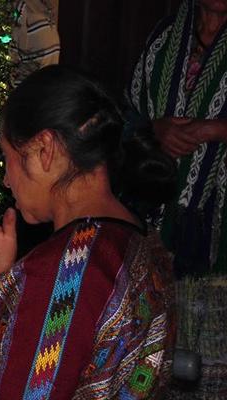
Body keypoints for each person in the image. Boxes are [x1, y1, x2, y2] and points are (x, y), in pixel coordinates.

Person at [0, 65, 176, 399]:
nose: (5, 180)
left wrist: (27, 283)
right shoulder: (137, 238)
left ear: (45, 150)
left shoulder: (64, 276)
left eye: (7, 158)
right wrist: (6, 279)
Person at [127, 0, 227, 396]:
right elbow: (129, 112)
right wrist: (157, 128)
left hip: (217, 241)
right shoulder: (165, 37)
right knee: (155, 361)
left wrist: (213, 129)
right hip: (155, 226)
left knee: (211, 368)